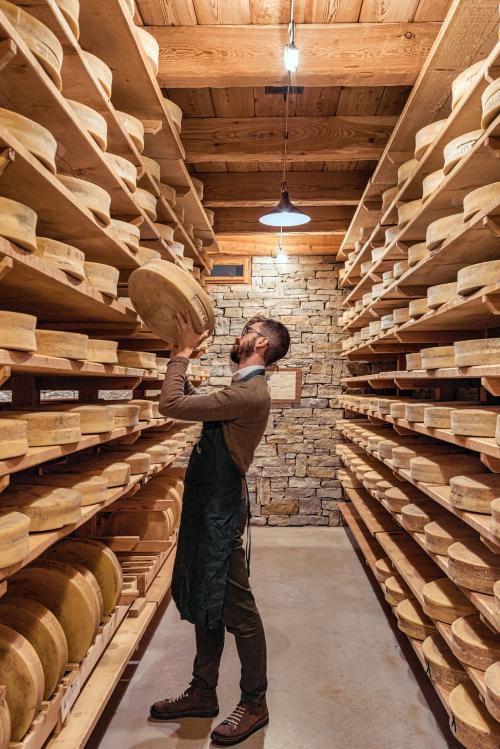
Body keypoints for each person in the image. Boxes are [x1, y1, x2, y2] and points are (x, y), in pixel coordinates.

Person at [150, 312, 291, 746]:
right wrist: (191, 380)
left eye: (249, 332)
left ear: (262, 344)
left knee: (239, 612)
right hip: (204, 507)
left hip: (219, 510)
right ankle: (203, 692)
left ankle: (255, 702)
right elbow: (201, 408)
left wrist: (181, 354)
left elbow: (171, 406)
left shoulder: (250, 393)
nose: (240, 335)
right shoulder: (239, 389)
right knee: (206, 600)